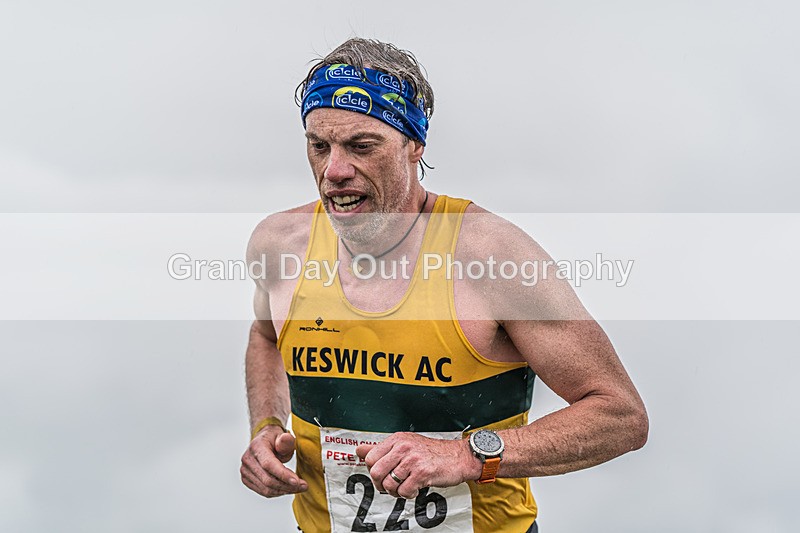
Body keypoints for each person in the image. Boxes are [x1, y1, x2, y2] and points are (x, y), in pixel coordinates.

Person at [240, 38, 648, 533]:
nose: (334, 171)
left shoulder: (492, 256)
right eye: (318, 146)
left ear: (415, 145)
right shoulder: (280, 244)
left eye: (362, 146)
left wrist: (466, 456)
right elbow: (266, 337)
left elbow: (620, 415)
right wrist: (266, 428)